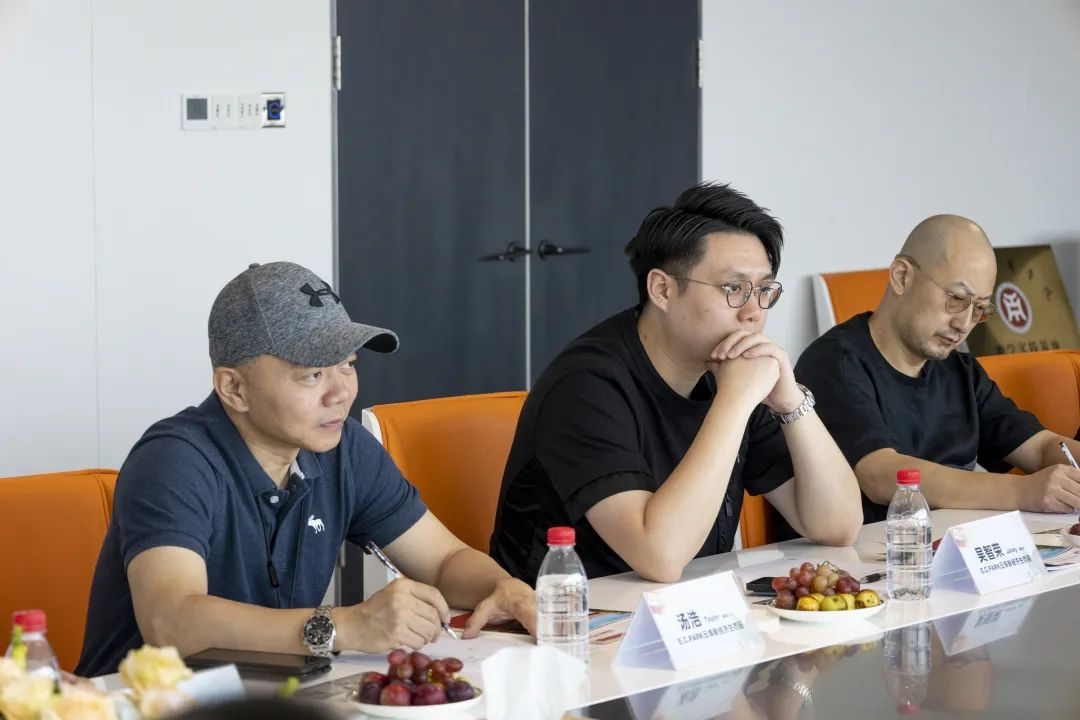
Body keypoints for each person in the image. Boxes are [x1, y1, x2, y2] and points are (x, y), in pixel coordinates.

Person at [76, 262, 535, 677]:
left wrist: (503, 587)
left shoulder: (343, 447)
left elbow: (444, 560)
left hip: (271, 698)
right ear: (234, 389)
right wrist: (344, 626)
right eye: (313, 374)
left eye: (348, 365)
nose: (341, 392)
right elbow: (171, 621)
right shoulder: (174, 460)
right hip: (143, 703)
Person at [489, 183, 862, 585]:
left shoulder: (730, 371)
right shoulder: (585, 386)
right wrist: (735, 403)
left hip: (686, 611)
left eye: (763, 291)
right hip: (572, 615)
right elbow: (660, 557)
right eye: (734, 289)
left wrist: (789, 402)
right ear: (662, 289)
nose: (754, 313)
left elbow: (838, 526)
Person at [796, 215, 1080, 524]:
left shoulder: (960, 371)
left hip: (947, 544)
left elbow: (1040, 448)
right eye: (957, 299)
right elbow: (879, 474)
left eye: (979, 309)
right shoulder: (834, 363)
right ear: (902, 276)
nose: (964, 324)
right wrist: (1022, 490)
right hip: (870, 547)